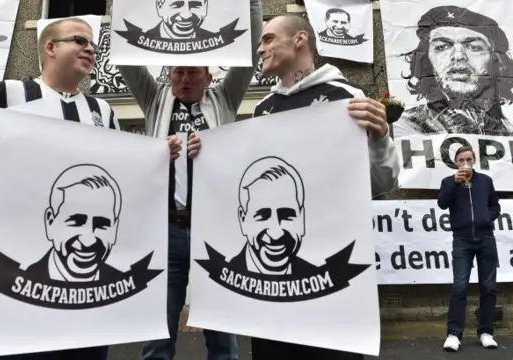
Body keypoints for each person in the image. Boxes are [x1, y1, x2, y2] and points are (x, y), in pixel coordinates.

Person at [0, 17, 181, 360]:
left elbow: (119, 181)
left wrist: (157, 154)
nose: (91, 49)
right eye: (79, 40)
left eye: (93, 44)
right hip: (20, 273)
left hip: (85, 288)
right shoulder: (6, 94)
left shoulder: (102, 112)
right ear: (50, 47)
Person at [117, 0, 263, 358]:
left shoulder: (225, 98)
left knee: (222, 334)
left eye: (193, 72)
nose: (184, 79)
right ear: (168, 77)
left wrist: (253, 4)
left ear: (209, 76)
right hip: (168, 230)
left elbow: (249, 49)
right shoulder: (155, 101)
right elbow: (125, 58)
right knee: (158, 332)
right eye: (178, 72)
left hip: (215, 230)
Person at [249, 13, 400, 359]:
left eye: (268, 38)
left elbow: (383, 182)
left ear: (300, 39)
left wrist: (379, 139)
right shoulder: (261, 109)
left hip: (330, 273)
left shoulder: (346, 97)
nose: (260, 49)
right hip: (275, 272)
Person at [394, 5, 513, 136]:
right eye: (442, 47)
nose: (458, 56)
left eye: (473, 47)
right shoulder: (407, 126)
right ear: (425, 60)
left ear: (497, 60)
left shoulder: (508, 129)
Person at [437, 146, 500, 352]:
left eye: (469, 159)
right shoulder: (448, 182)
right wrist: (455, 184)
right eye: (461, 160)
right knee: (459, 287)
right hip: (462, 241)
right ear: (456, 162)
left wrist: (486, 218)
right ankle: (454, 335)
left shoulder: (485, 181)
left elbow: (495, 206)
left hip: (486, 239)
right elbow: (442, 204)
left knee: (488, 287)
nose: (465, 163)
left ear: (474, 161)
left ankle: (486, 332)